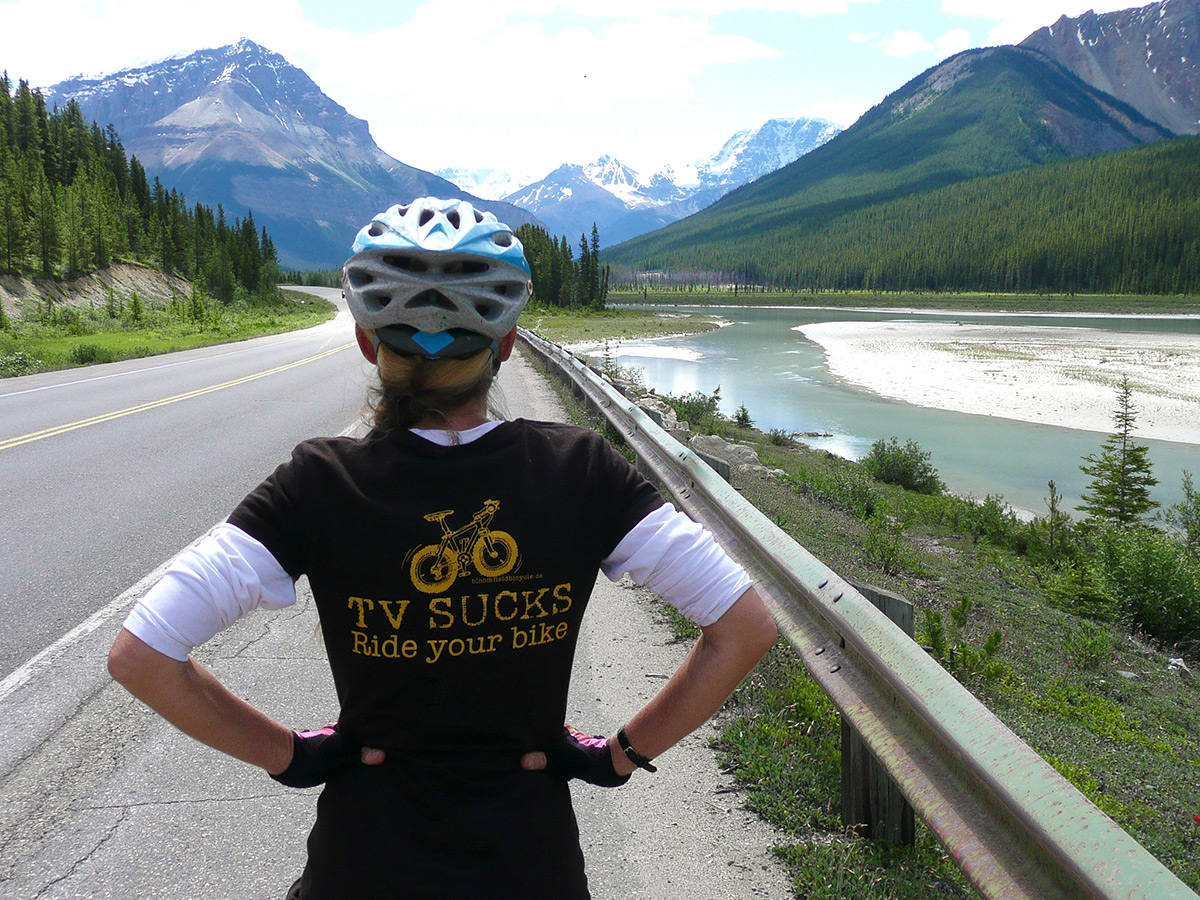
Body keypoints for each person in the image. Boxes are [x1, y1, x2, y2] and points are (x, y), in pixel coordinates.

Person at [108, 197, 778, 899]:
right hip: (531, 869)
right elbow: (744, 628)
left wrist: (291, 756)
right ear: (507, 344)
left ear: (369, 343)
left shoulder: (319, 483)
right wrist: (620, 756)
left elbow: (142, 655)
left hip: (362, 868)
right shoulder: (579, 470)